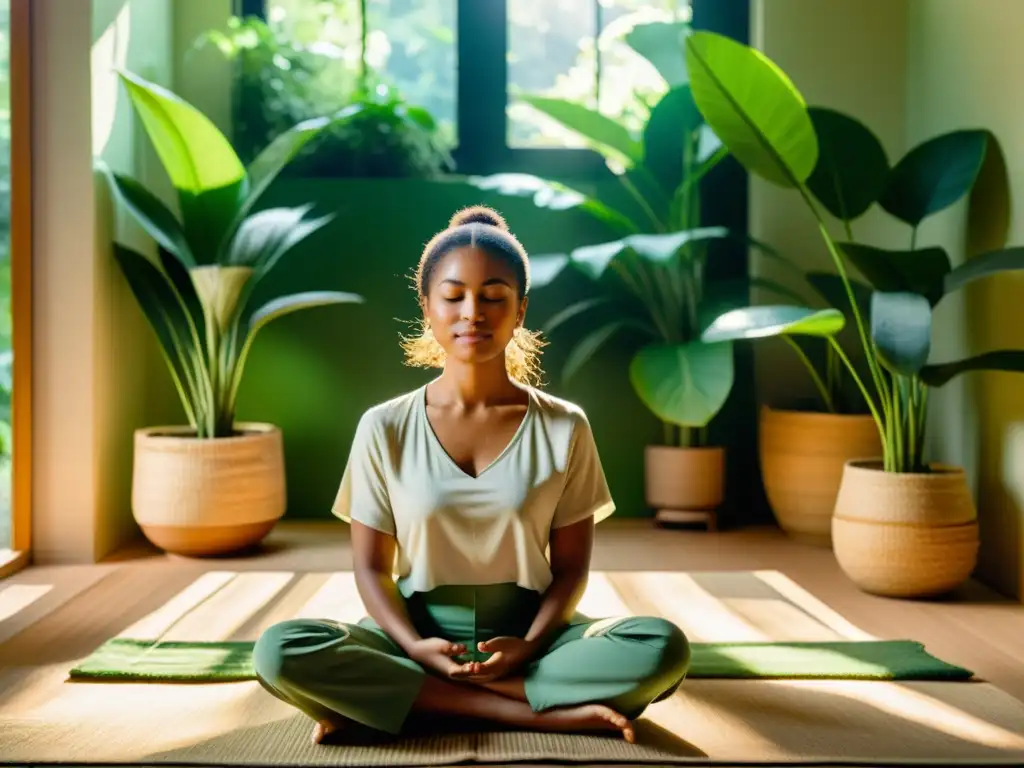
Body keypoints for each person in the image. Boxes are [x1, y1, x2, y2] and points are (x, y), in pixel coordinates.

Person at [253, 205, 691, 745]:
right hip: (414, 637)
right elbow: (371, 569)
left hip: (534, 637)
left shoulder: (565, 426)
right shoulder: (383, 426)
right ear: (427, 307)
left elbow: (572, 568)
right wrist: (415, 650)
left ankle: (409, 702)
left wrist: (529, 646)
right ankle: (526, 709)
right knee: (279, 650)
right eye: (454, 295)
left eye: (493, 296)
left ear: (520, 308)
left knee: (661, 646)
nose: (472, 313)